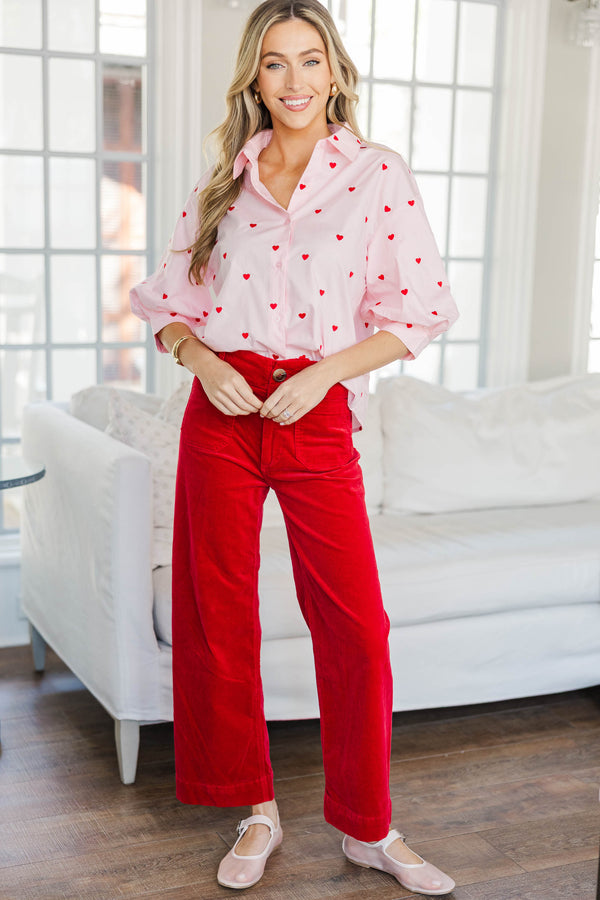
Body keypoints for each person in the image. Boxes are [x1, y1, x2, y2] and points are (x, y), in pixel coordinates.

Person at [130, 0, 459, 893]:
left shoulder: (377, 177)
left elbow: (421, 310)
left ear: (335, 70)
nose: (295, 81)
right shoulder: (223, 187)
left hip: (316, 406)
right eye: (275, 64)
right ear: (254, 78)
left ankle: (368, 827)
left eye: (310, 60)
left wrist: (324, 377)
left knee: (355, 624)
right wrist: (201, 361)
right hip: (223, 410)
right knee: (217, 614)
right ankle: (256, 811)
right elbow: (166, 310)